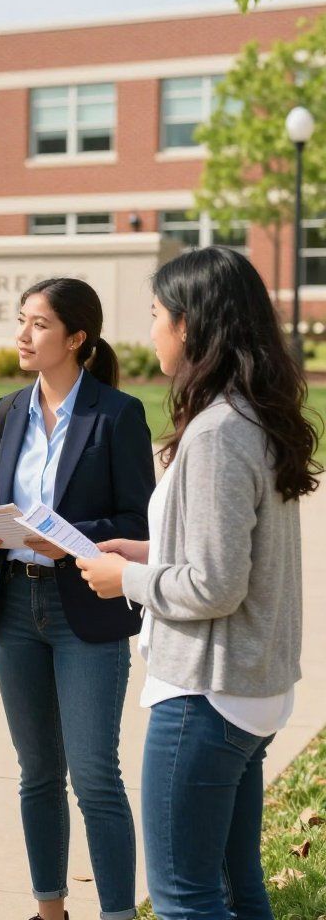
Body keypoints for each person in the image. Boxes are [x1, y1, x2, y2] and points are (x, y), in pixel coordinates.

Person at [79, 247, 321, 920]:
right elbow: (230, 553)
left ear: (191, 325)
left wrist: (124, 577)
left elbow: (216, 586)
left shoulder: (217, 432)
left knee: (186, 895)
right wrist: (148, 552)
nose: (150, 329)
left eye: (156, 314)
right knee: (237, 884)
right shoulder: (254, 417)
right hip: (249, 688)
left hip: (206, 693)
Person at [0, 277, 155, 920]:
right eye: (22, 321)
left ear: (77, 338)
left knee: (96, 776)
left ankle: (117, 914)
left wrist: (69, 543)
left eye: (39, 324)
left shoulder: (118, 414)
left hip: (87, 611)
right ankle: (50, 911)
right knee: (38, 773)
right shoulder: (7, 410)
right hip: (15, 608)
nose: (23, 335)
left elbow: (141, 523)